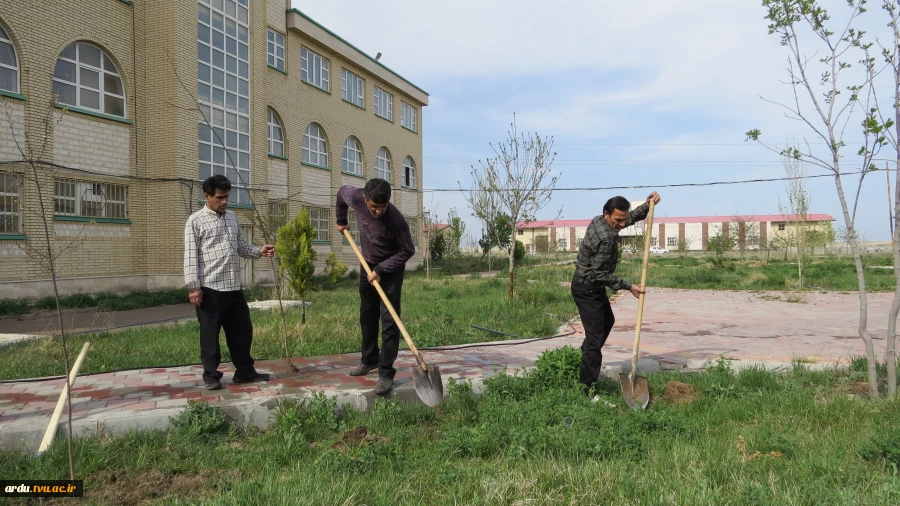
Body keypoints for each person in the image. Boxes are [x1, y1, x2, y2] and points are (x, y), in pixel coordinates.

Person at [184, 175, 275, 390]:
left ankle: (245, 372)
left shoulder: (232, 218)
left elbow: (240, 246)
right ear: (206, 196)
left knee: (242, 332)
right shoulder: (195, 221)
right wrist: (193, 287)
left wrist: (259, 251)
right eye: (219, 197)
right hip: (210, 289)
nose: (224, 201)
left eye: (226, 197)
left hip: (234, 287)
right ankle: (211, 376)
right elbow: (190, 256)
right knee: (210, 336)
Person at [571, 192, 662, 391]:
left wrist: (647, 205)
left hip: (591, 285)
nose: (621, 224)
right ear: (607, 214)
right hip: (588, 287)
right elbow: (599, 274)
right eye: (618, 220)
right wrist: (629, 286)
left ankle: (582, 360)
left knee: (607, 322)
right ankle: (587, 387)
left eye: (623, 219)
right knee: (595, 338)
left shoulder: (599, 221)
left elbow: (629, 218)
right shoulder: (605, 239)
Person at [335, 178, 415, 395]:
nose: (378, 212)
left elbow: (408, 250)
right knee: (367, 314)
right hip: (367, 263)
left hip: (389, 269)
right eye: (374, 207)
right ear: (365, 199)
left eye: (382, 207)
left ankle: (386, 372)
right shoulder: (355, 197)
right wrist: (341, 219)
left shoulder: (396, 221)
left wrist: (381, 270)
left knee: (389, 320)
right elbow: (341, 193)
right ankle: (369, 359)